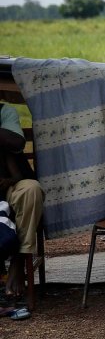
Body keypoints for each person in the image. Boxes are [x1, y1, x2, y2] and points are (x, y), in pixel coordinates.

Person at [0, 103, 44, 320]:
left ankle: (19, 261)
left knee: (31, 190)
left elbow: (16, 143)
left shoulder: (4, 112)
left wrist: (8, 181)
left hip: (6, 187)